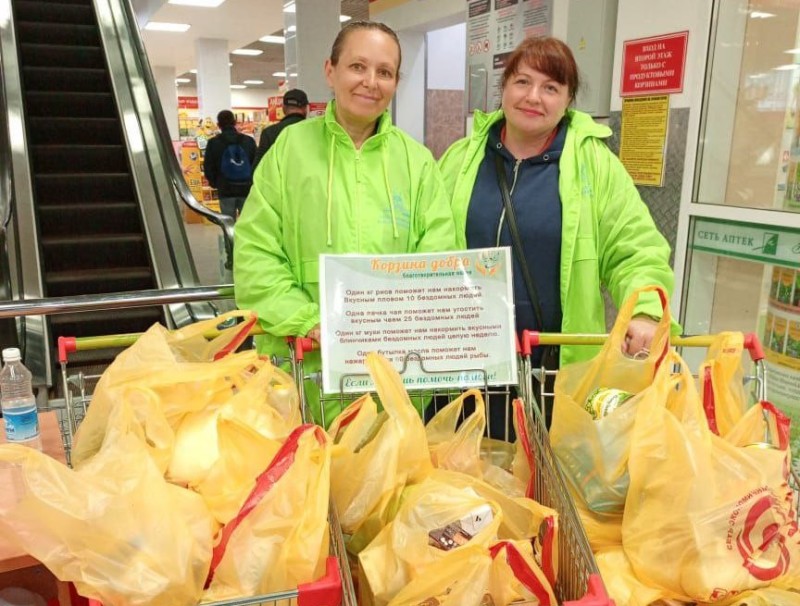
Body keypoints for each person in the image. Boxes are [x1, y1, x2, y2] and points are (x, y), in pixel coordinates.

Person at [234, 21, 456, 423]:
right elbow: (255, 254)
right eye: (358, 66)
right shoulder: (290, 151)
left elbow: (437, 259)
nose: (370, 82)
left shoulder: (417, 162)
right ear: (330, 70)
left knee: (385, 482)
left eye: (385, 72)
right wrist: (309, 321)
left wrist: (398, 321)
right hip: (302, 376)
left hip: (392, 385)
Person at [439, 36, 679, 372]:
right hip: (463, 361)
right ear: (504, 89)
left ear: (568, 101)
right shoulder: (459, 160)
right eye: (522, 81)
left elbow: (635, 249)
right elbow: (425, 244)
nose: (533, 97)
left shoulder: (595, 165)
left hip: (554, 366)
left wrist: (645, 310)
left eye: (551, 88)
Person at [203, 109, 257, 220]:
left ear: (218, 125)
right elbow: (257, 163)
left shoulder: (213, 143)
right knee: (248, 223)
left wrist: (216, 183)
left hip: (225, 189)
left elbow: (208, 167)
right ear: (235, 122)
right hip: (246, 189)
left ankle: (230, 238)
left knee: (228, 223)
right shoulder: (249, 141)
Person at [253, 89, 309, 170]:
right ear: (305, 108)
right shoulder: (316, 132)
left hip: (278, 181)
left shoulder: (269, 133)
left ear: (283, 107)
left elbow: (258, 169)